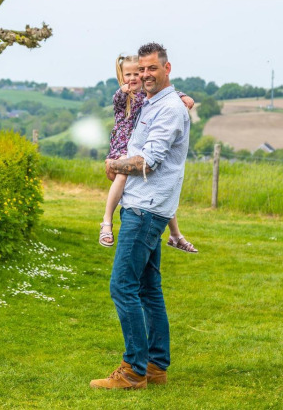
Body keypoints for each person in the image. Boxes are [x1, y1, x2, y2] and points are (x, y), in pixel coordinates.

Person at [91, 42, 190, 390]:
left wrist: (114, 165)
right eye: (142, 69)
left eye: (152, 69)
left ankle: (133, 371)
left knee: (122, 286)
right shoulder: (154, 103)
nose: (145, 75)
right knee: (148, 289)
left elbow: (149, 161)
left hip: (145, 210)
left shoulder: (169, 110)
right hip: (145, 206)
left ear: (167, 68)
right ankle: (156, 365)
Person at [99, 55, 198, 254]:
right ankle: (106, 222)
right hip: (122, 147)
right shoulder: (123, 97)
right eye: (128, 74)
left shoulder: (147, 95)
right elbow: (117, 97)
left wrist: (181, 95)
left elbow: (163, 93)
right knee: (121, 176)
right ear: (122, 76)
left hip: (137, 147)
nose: (134, 77)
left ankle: (176, 235)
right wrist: (124, 88)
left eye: (137, 73)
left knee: (159, 194)